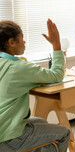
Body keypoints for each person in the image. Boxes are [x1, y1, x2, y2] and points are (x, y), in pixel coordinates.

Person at [0, 19, 70, 152]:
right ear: (12, 42)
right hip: (7, 138)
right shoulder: (19, 68)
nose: (25, 42)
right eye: (22, 38)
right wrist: (56, 43)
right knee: (64, 133)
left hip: (3, 128)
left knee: (41, 122)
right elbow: (56, 75)